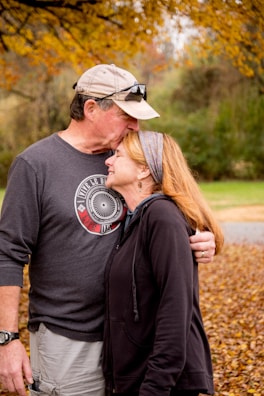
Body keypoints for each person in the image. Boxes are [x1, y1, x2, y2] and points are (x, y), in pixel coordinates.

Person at [0, 64, 216, 396]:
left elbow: (168, 213)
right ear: (90, 108)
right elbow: (7, 255)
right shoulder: (35, 166)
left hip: (133, 342)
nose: (136, 125)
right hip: (69, 341)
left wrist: (199, 239)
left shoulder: (128, 160)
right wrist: (7, 339)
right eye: (126, 115)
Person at [103, 130, 224, 396]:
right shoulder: (136, 220)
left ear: (143, 169)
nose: (108, 162)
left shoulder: (162, 217)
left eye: (118, 156)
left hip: (163, 385)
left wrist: (156, 386)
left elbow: (176, 308)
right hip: (137, 380)